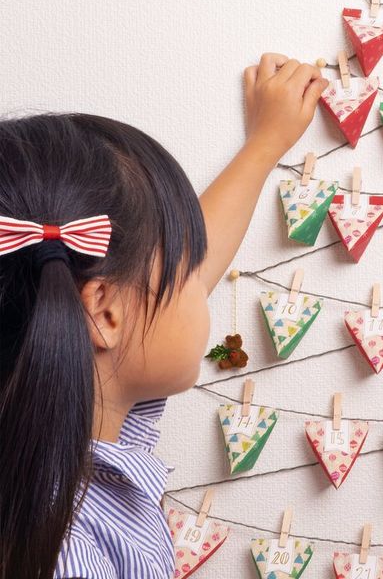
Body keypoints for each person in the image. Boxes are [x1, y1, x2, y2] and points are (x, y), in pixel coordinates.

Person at [0, 54, 328, 579]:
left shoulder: (78, 435)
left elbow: (168, 289)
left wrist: (265, 145)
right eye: (189, 268)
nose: (202, 283)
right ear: (104, 312)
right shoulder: (62, 554)